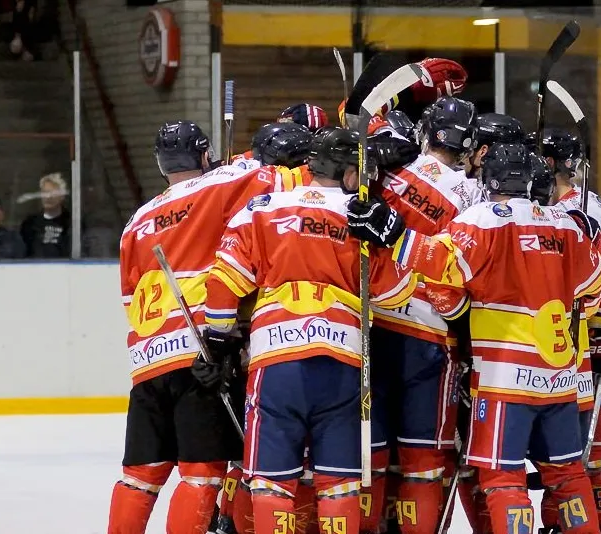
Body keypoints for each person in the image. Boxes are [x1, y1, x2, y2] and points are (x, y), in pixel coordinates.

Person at [348, 143, 601, 534]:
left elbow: (443, 264)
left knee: (502, 478)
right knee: (568, 476)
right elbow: (599, 286)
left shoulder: (484, 219)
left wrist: (393, 234)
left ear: (490, 179)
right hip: (561, 379)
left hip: (504, 378)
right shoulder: (566, 225)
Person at [199, 126, 416, 534]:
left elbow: (223, 281)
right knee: (339, 481)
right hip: (342, 361)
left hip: (275, 360)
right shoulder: (361, 216)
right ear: (352, 175)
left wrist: (221, 342)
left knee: (271, 480)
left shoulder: (263, 208)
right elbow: (395, 293)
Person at [109, 120, 303, 534]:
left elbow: (129, 297)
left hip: (147, 357)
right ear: (204, 155)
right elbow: (281, 176)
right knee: (201, 473)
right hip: (201, 354)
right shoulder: (221, 184)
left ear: (162, 166)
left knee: (139, 473)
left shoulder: (135, 221)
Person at [359, 96, 481, 534]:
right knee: (424, 460)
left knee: (369, 456)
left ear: (426, 132)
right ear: (471, 147)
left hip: (370, 329)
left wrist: (374, 148)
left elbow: (350, 119)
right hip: (431, 335)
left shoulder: (390, 168)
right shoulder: (476, 197)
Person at [540, 129, 601, 534]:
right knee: (562, 459)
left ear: (549, 163)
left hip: (590, 349)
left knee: (596, 457)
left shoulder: (587, 210)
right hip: (560, 347)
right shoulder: (542, 208)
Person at [20, 172, 71, 259]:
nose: (48, 197)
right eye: (45, 192)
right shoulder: (30, 223)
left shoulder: (71, 222)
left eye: (53, 193)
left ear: (62, 196)